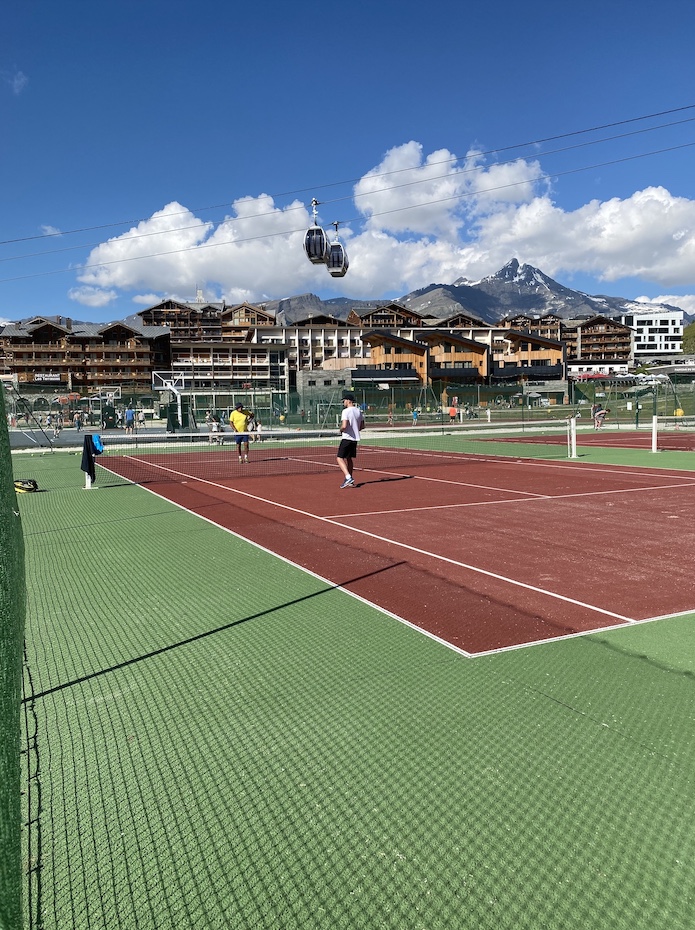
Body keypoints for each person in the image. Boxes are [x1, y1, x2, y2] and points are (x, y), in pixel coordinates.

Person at [337, 392, 364, 489]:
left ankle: (348, 477)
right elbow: (362, 426)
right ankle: (350, 480)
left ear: (348, 401)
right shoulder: (359, 411)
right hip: (354, 439)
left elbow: (344, 426)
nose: (343, 402)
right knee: (349, 459)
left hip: (347, 438)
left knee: (339, 458)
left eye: (344, 401)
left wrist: (340, 430)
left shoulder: (346, 411)